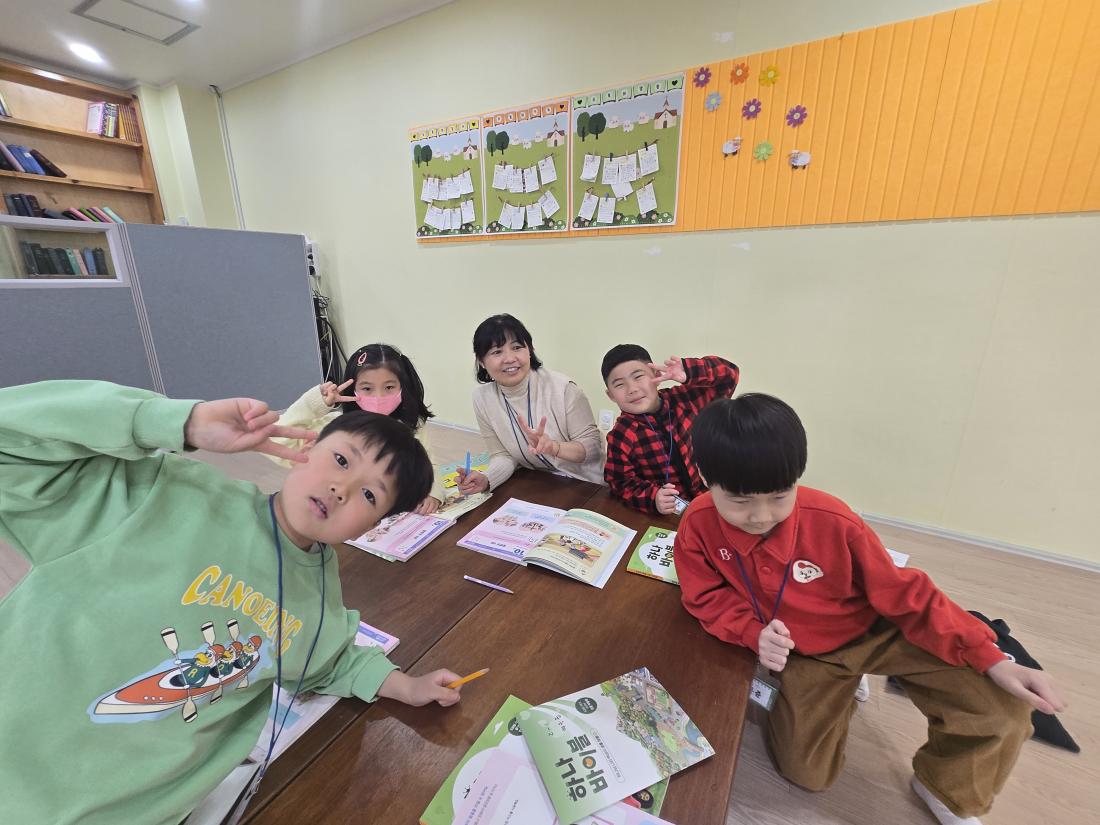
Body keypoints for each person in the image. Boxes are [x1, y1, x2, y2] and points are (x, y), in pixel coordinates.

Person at [0, 380, 465, 825]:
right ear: (306, 447)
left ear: (374, 526)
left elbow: (328, 659)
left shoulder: (317, 597)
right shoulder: (167, 493)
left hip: (136, 811)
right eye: (341, 460)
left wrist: (406, 687)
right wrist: (177, 422)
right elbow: (14, 440)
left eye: (368, 494)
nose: (341, 489)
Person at [676, 394, 1064, 825]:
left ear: (796, 479)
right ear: (706, 479)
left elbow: (906, 593)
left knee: (1002, 709)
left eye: (779, 496)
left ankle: (946, 790)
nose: (761, 516)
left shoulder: (834, 519)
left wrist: (991, 658)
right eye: (740, 501)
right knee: (807, 774)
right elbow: (703, 596)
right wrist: (752, 633)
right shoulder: (697, 525)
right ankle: (844, 687)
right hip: (806, 654)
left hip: (878, 629)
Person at [272, 343, 447, 514]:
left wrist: (432, 492)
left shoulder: (411, 424)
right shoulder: (335, 427)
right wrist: (312, 404)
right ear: (353, 389)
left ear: (403, 386)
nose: (379, 396)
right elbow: (277, 441)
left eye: (389, 387)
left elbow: (428, 464)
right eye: (367, 388)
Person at [456, 314, 603, 493]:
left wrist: (555, 448)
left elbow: (593, 449)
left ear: (529, 350)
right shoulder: (482, 398)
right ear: (481, 361)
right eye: (497, 352)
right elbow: (502, 455)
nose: (509, 358)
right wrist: (487, 479)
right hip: (537, 484)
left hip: (585, 485)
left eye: (517, 347)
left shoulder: (563, 389)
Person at [601, 344, 738, 514]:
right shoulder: (621, 434)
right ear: (611, 395)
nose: (632, 389)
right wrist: (653, 498)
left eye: (638, 376)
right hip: (672, 513)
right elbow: (619, 483)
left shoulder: (685, 400)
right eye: (619, 385)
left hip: (714, 498)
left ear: (657, 375)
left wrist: (690, 371)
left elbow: (729, 376)